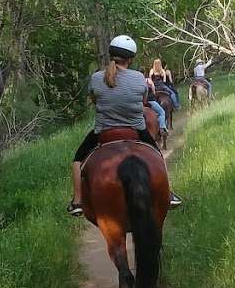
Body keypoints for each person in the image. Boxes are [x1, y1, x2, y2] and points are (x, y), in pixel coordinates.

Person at [67, 35, 182, 215]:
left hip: (103, 131)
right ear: (131, 58)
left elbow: (94, 100)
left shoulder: (96, 78)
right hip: (136, 130)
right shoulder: (138, 78)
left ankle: (77, 201)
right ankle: (168, 193)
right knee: (158, 155)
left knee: (77, 160)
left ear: (111, 54)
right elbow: (143, 101)